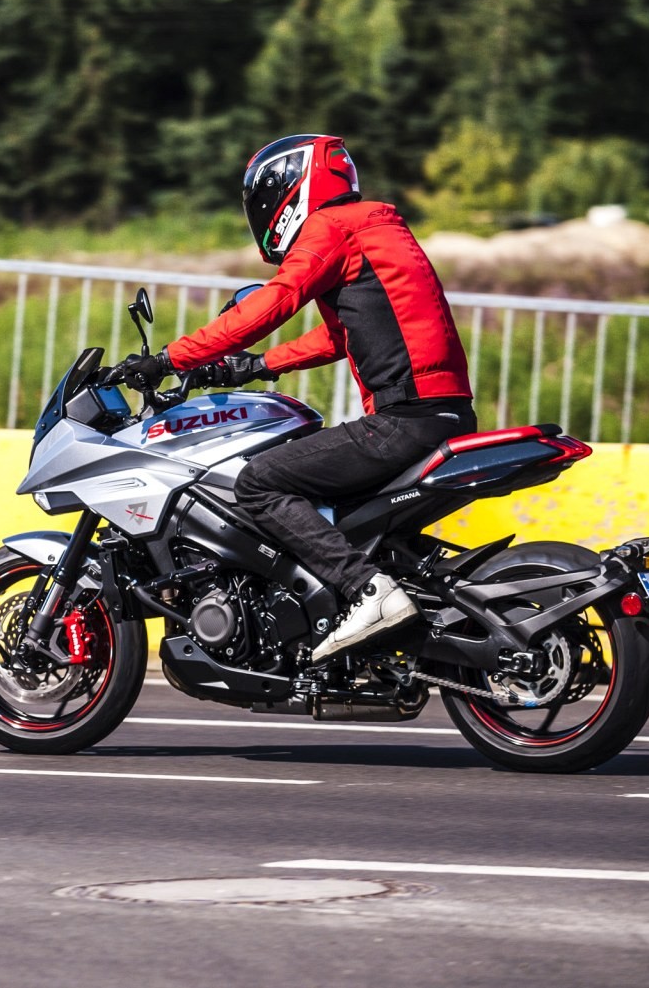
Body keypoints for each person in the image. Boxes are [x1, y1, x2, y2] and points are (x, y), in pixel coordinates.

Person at [112, 134, 476, 661]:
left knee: (259, 482)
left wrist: (171, 358)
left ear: (291, 188)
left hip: (403, 420)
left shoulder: (334, 227)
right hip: (442, 413)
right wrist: (258, 366)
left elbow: (272, 302)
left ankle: (368, 590)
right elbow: (340, 336)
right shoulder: (376, 228)